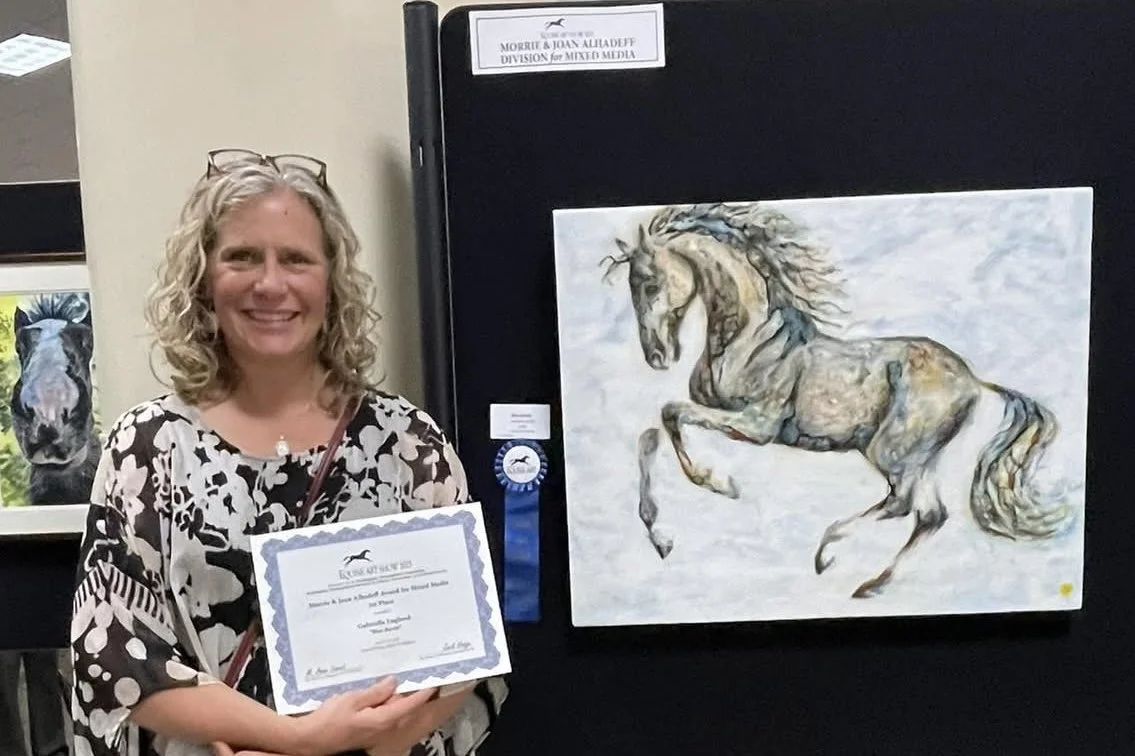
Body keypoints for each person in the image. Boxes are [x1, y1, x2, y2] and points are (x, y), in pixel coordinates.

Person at [68, 149, 508, 756]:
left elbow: (465, 650)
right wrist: (295, 741)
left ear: (332, 281)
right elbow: (113, 655)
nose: (270, 284)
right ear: (203, 279)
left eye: (296, 259)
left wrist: (372, 744)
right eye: (242, 257)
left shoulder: (408, 443)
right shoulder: (146, 449)